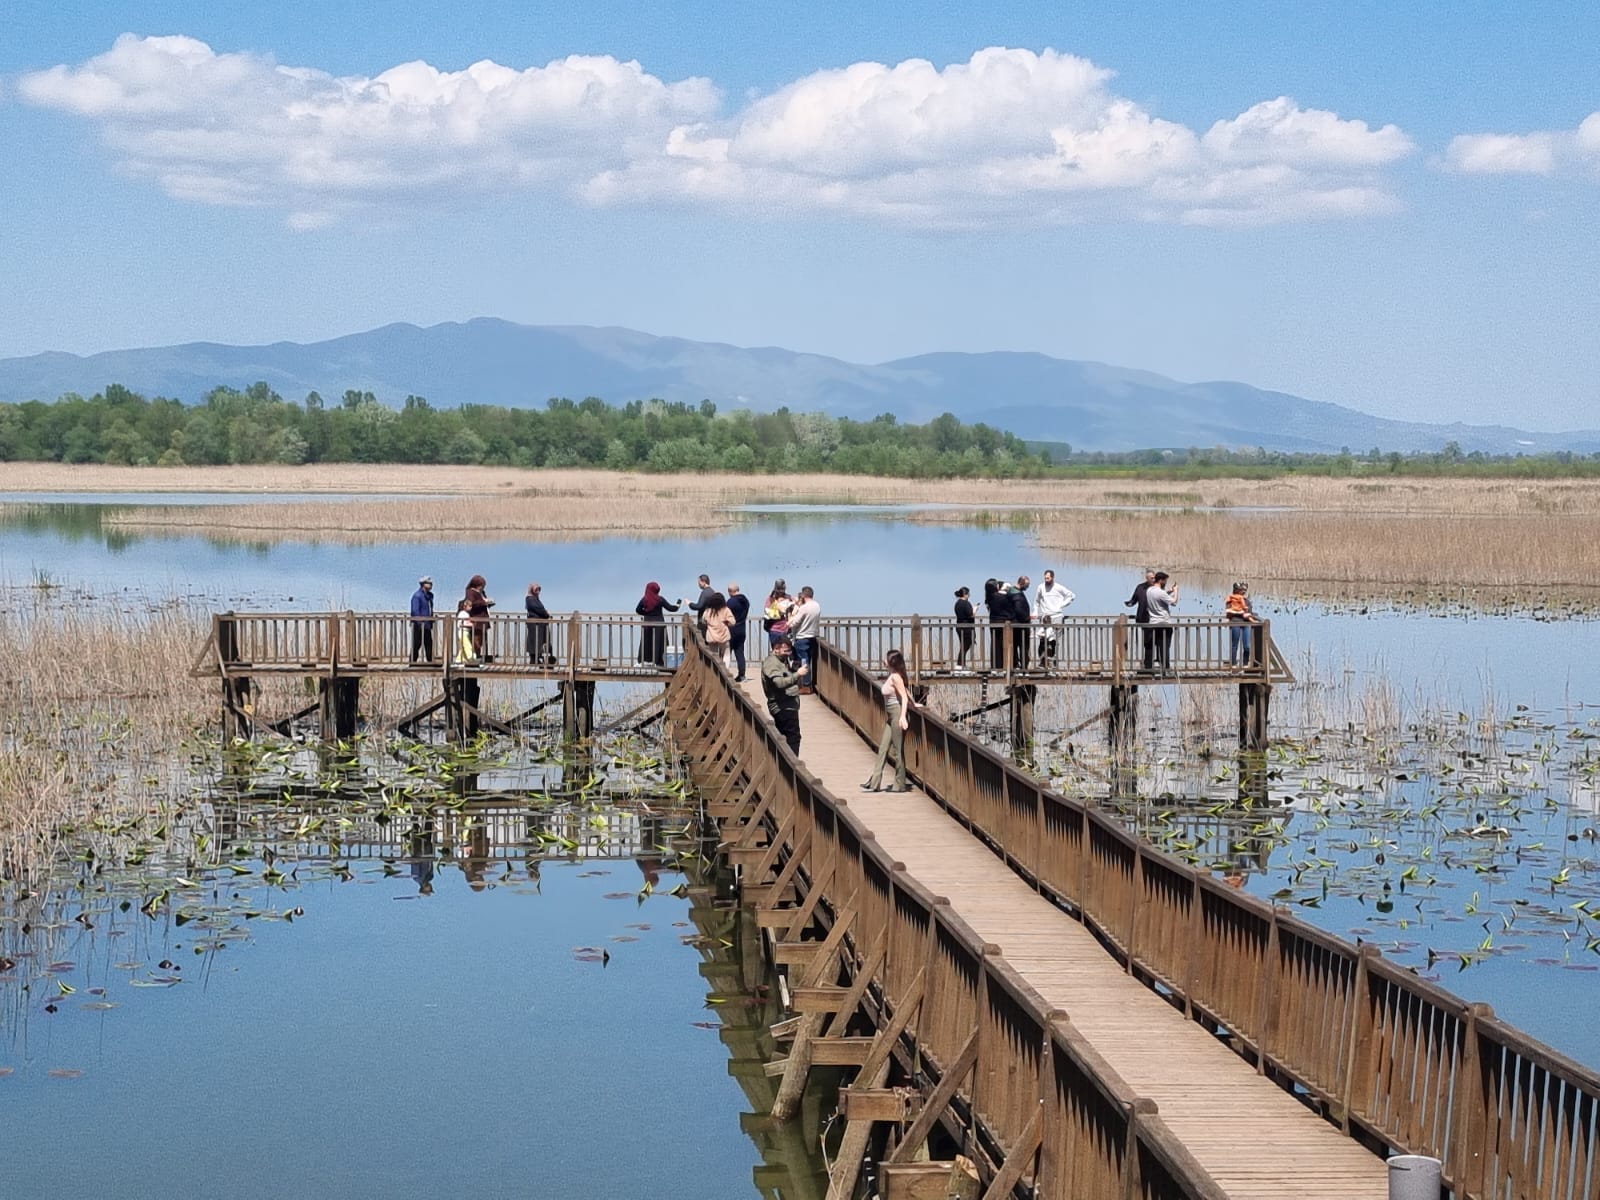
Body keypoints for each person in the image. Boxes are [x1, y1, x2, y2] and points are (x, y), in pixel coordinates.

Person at [862, 649, 919, 792]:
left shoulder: (896, 677)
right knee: (883, 748)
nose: (884, 661)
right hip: (890, 715)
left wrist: (903, 717)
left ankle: (899, 783)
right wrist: (914, 703)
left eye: (887, 659)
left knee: (897, 750)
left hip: (897, 713)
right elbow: (906, 691)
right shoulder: (892, 675)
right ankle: (874, 781)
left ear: (892, 663)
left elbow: (903, 697)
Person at [760, 635, 806, 755]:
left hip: (788, 704)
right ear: (776, 649)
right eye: (785, 651)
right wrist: (797, 675)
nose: (788, 653)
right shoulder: (771, 663)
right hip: (782, 706)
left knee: (786, 737)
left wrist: (794, 671)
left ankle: (786, 764)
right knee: (793, 738)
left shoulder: (782, 661)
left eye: (789, 650)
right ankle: (792, 767)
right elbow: (779, 683)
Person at [1034, 569, 1075, 670]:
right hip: (1045, 617)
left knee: (1054, 640)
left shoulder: (1058, 587)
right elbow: (1036, 601)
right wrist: (1035, 612)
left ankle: (1052, 662)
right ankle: (1042, 662)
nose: (1046, 580)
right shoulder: (1040, 587)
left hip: (1057, 616)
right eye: (1045, 578)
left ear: (1052, 577)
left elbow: (1071, 595)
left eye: (1048, 578)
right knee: (1043, 640)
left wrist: (1062, 605)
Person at [636, 581, 681, 667]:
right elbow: (672, 608)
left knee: (647, 642)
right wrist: (678, 603)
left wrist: (646, 613)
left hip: (647, 624)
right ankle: (659, 662)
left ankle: (644, 660)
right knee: (659, 642)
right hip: (659, 624)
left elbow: (637, 610)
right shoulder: (660, 599)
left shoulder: (644, 599)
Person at [789, 585, 822, 694]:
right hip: (812, 636)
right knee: (808, 660)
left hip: (802, 637)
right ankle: (808, 684)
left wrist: (790, 617)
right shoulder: (817, 606)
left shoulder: (804, 607)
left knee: (803, 662)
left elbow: (795, 622)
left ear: (803, 595)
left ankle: (805, 685)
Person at [1146, 571, 1178, 675]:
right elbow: (1174, 602)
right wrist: (1176, 591)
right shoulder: (1160, 592)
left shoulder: (1149, 590)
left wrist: (1169, 591)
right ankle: (1166, 669)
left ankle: (1149, 667)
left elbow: (1160, 597)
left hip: (1153, 623)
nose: (1165, 583)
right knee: (1164, 647)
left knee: (1153, 646)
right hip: (1164, 623)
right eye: (1165, 581)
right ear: (1161, 580)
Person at [1125, 569, 1157, 673]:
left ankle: (1149, 665)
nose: (1153, 579)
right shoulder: (1140, 588)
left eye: (1154, 577)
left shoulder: (1156, 588)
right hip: (1143, 618)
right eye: (1151, 578)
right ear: (1147, 578)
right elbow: (1134, 600)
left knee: (1150, 642)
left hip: (1153, 618)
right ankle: (1147, 664)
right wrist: (1129, 603)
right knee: (1146, 642)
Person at [1226, 581, 1259, 668]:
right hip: (1235, 622)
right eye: (1241, 590)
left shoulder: (1247, 601)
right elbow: (1229, 612)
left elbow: (1249, 613)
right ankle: (1233, 663)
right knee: (1235, 644)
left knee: (1247, 646)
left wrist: (1250, 617)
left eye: (1244, 590)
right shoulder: (1230, 600)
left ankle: (1245, 663)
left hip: (1246, 624)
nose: (1243, 592)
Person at [702, 591, 737, 669]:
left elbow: (703, 621)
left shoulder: (708, 611)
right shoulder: (725, 610)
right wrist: (726, 623)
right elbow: (733, 622)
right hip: (723, 635)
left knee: (714, 655)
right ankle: (725, 670)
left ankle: (715, 671)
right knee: (726, 654)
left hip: (711, 636)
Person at [464, 575, 494, 659]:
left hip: (483, 619)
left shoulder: (482, 593)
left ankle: (478, 657)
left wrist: (489, 603)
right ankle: (474, 658)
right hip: (476, 620)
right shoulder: (470, 592)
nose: (482, 587)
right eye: (481, 585)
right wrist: (484, 602)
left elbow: (483, 601)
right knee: (476, 641)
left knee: (482, 641)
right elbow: (471, 603)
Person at [726, 582, 751, 682]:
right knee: (740, 653)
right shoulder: (745, 601)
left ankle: (723, 672)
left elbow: (726, 615)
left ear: (730, 591)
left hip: (731, 630)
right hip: (742, 629)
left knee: (726, 653)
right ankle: (742, 674)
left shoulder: (730, 602)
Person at [525, 582, 553, 665]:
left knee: (539, 641)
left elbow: (541, 609)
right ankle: (534, 659)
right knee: (535, 641)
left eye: (539, 589)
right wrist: (546, 614)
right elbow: (538, 609)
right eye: (536, 589)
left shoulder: (535, 598)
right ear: (532, 590)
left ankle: (537, 658)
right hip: (534, 624)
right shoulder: (530, 599)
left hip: (539, 624)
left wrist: (545, 613)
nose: (538, 591)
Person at [984, 579, 1010, 670]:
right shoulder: (1001, 597)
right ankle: (1004, 665)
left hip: (993, 622)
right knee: (1004, 644)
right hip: (1003, 622)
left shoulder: (989, 597)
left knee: (995, 644)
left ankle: (995, 666)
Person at [409, 576, 435, 663]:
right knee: (417, 643)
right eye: (428, 583)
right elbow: (415, 611)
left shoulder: (429, 596)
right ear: (423, 584)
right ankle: (412, 661)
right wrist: (419, 622)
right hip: (418, 625)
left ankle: (430, 661)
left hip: (427, 624)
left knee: (428, 643)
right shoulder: (417, 596)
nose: (431, 585)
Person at [763, 579, 795, 650]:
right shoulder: (770, 599)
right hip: (774, 629)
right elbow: (767, 611)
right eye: (779, 589)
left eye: (782, 589)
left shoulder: (789, 598)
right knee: (776, 650)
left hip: (786, 630)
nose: (780, 591)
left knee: (786, 651)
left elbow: (795, 610)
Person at [1011, 575, 1033, 672]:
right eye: (1027, 585)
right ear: (1022, 583)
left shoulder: (1011, 592)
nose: (1028, 587)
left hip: (1015, 624)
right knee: (1023, 646)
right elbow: (1019, 610)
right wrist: (1027, 618)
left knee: (1015, 646)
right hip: (1021, 625)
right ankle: (1023, 666)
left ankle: (1016, 664)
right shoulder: (1017, 595)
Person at [953, 586, 975, 671]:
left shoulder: (957, 603)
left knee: (963, 645)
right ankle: (960, 665)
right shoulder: (966, 603)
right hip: (966, 627)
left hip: (959, 626)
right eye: (968, 593)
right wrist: (975, 609)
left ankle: (962, 664)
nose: (969, 595)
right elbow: (971, 614)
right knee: (966, 645)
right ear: (965, 594)